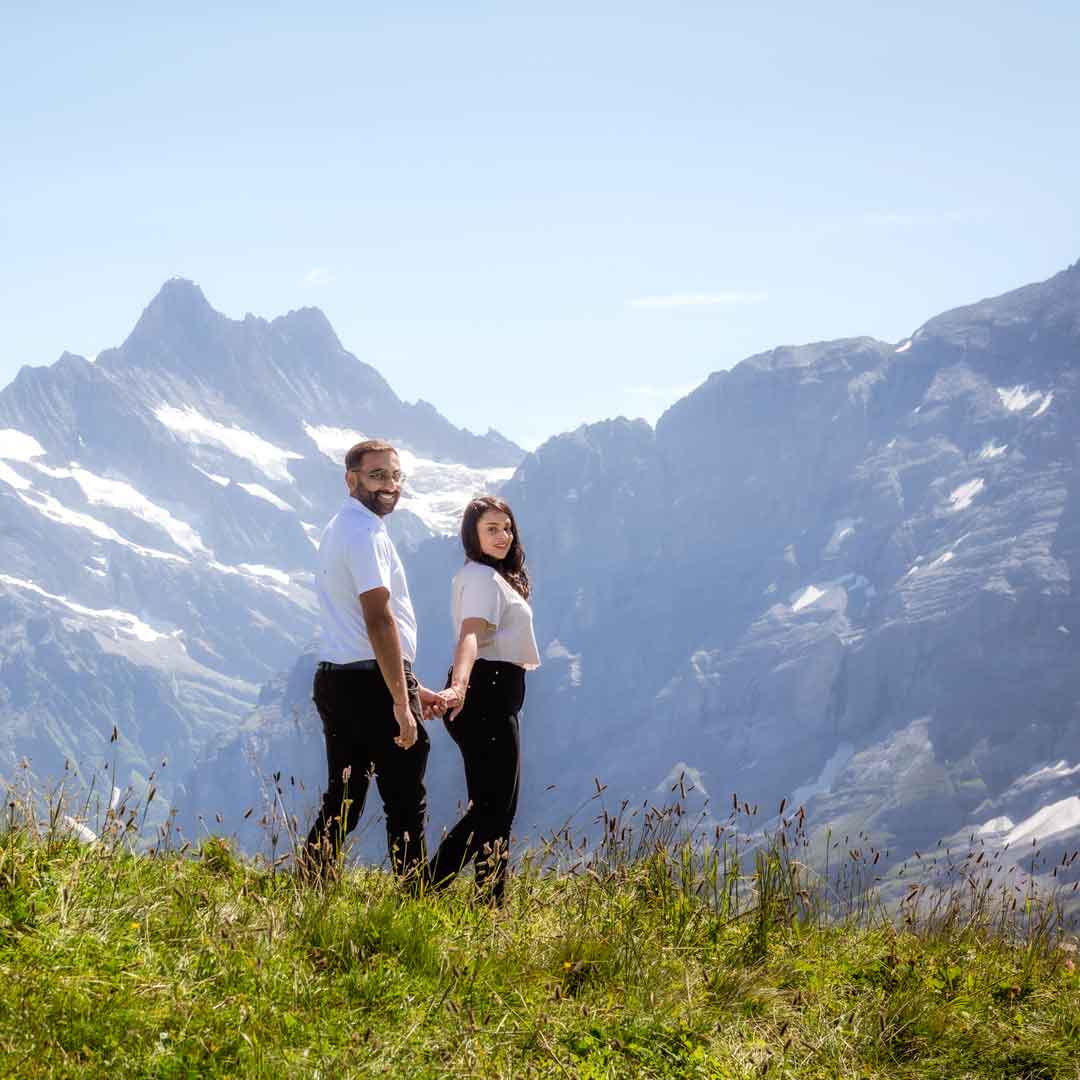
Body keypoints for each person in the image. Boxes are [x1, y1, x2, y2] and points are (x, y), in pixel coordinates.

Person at [303, 438, 445, 882]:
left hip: (338, 677)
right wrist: (402, 705)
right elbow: (378, 620)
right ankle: (414, 903)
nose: (390, 485)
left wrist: (409, 683)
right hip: (370, 686)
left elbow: (352, 629)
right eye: (377, 475)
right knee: (405, 798)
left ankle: (307, 887)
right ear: (351, 480)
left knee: (344, 797)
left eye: (396, 475)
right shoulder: (364, 533)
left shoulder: (341, 527)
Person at [427, 495, 540, 904]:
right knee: (494, 808)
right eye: (491, 528)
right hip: (485, 698)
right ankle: (425, 890)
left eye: (507, 527)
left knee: (494, 808)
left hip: (494, 699)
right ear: (472, 535)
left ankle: (487, 902)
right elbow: (470, 636)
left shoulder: (494, 577)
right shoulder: (481, 578)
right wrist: (459, 686)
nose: (503, 536)